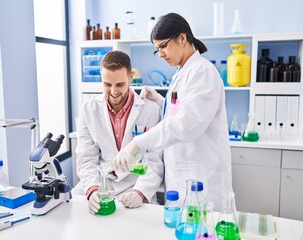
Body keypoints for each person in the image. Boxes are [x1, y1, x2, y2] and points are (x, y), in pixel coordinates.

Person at [113, 13, 233, 210]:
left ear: (182, 38)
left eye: (163, 46)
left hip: (202, 178)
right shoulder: (182, 72)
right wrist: (161, 101)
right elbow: (180, 112)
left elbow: (186, 124)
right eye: (156, 49)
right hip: (182, 177)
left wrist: (136, 144)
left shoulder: (202, 72)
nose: (160, 54)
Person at [74, 50, 164, 214]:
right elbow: (86, 157)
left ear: (131, 77)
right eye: (107, 85)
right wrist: (92, 189)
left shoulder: (150, 110)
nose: (114, 91)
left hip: (134, 183)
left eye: (120, 84)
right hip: (101, 183)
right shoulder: (88, 109)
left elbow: (155, 160)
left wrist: (140, 192)